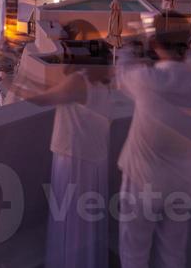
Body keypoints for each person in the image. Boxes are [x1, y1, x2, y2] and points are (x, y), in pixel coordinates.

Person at [115, 29, 191, 268]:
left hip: (142, 177)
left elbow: (122, 74)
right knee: (173, 252)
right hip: (182, 179)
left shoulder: (149, 80)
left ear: (155, 43)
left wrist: (130, 47)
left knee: (134, 249)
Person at [21, 68, 117, 268]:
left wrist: (10, 83)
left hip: (74, 156)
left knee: (71, 215)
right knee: (85, 218)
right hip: (91, 155)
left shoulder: (77, 81)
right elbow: (57, 91)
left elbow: (43, 99)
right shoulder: (102, 78)